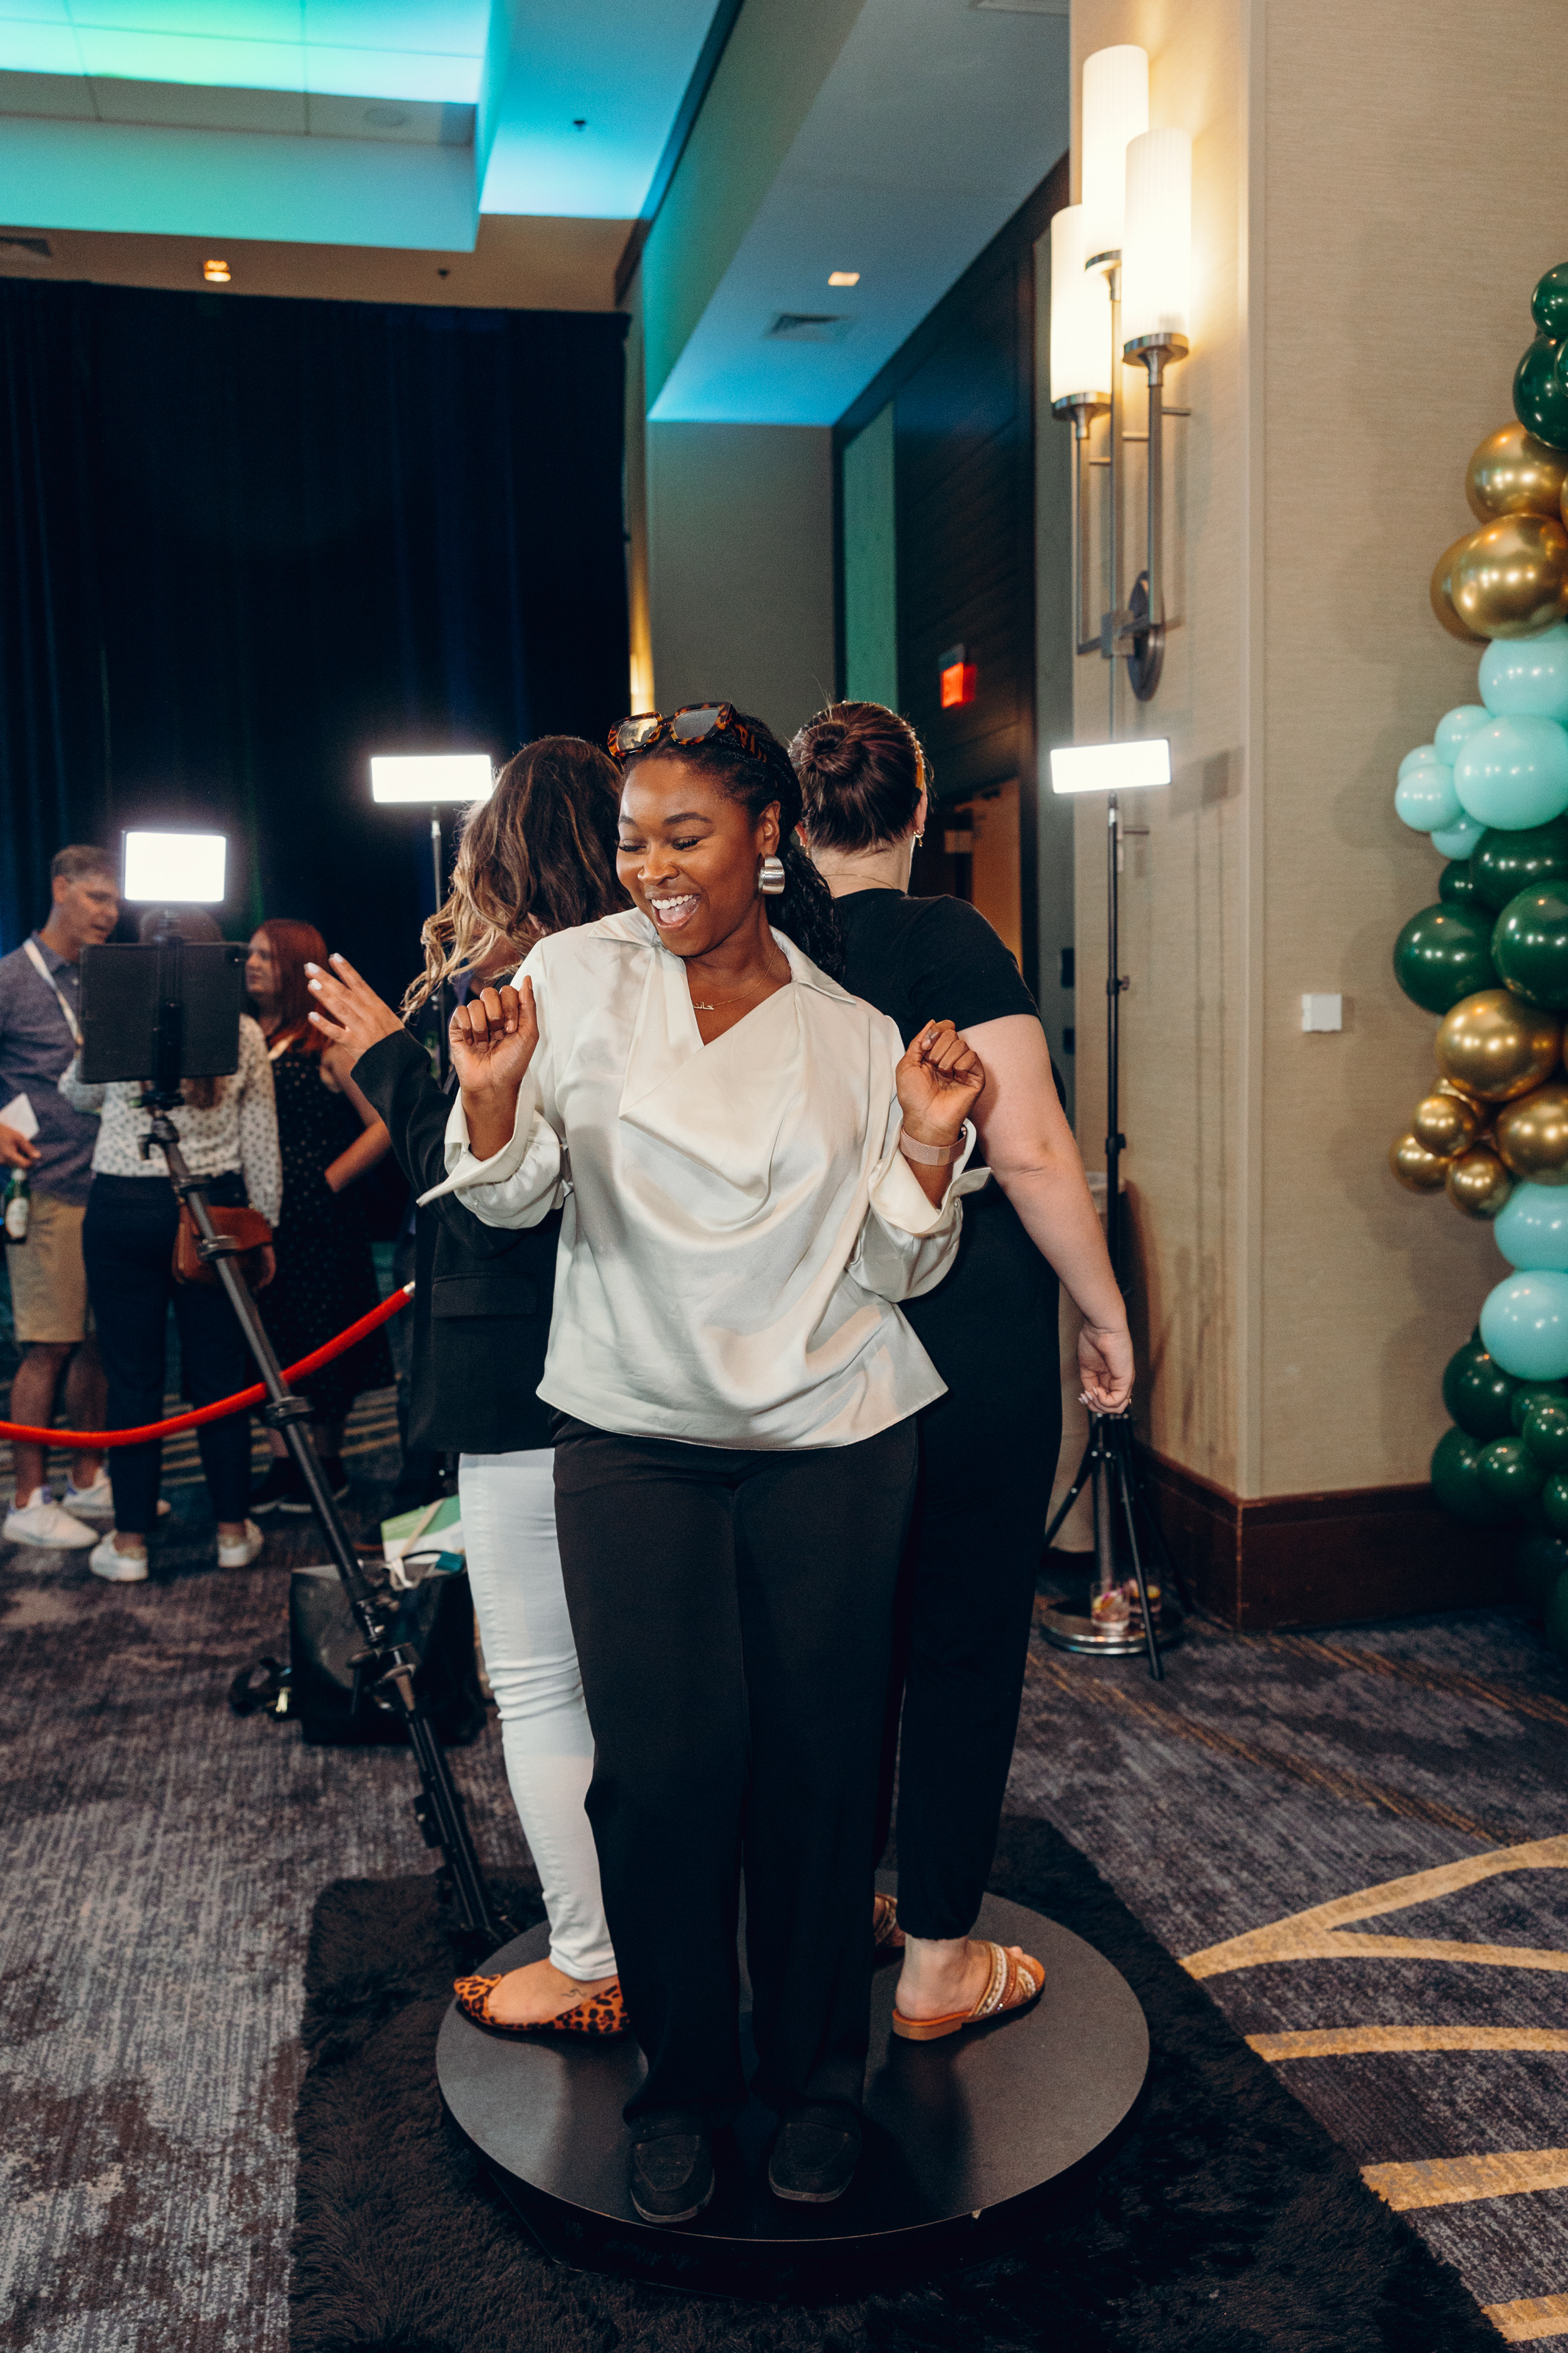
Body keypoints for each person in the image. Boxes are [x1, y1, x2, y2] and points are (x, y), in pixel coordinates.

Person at [350, 700, 1000, 2228]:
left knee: (820, 1775)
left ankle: (816, 2087)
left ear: (765, 837)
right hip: (629, 1437)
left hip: (831, 1441)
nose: (650, 867)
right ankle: (682, 2087)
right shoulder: (571, 977)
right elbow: (510, 1203)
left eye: (684, 835)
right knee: (658, 1778)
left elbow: (898, 1270)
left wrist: (923, 1142)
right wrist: (490, 1098)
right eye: (633, 838)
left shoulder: (849, 1034)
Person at [791, 699, 1134, 2040]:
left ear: (792, 826)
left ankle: (822, 1921)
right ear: (921, 814)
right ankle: (937, 1960)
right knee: (958, 1635)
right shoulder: (947, 938)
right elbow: (1033, 1150)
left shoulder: (762, 947)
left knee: (825, 1644)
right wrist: (1102, 1310)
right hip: (962, 1315)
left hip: (802, 1321)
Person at [305, 737, 631, 2036]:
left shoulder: (511, 991)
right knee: (651, 1682)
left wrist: (389, 1061)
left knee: (542, 1683)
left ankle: (594, 1958)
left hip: (516, 1377)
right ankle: (670, 1920)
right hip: (646, 1372)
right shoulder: (659, 981)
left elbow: (483, 1192)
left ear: (499, 853)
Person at [62, 910, 282, 1584]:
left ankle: (129, 1541)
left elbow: (74, 1093)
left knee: (132, 1378)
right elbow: (260, 1143)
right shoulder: (242, 1032)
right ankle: (232, 1531)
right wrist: (265, 1228)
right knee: (220, 1378)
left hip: (123, 1208)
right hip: (212, 1211)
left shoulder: (120, 1019)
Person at [243, 918, 393, 1513]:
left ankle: (327, 1462)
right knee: (270, 1337)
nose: (252, 964)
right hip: (258, 1213)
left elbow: (383, 1124)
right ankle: (285, 1464)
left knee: (325, 1334)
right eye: (250, 954)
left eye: (265, 955)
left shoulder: (325, 1042)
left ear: (292, 962)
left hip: (320, 1218)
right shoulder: (241, 1038)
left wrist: (326, 1183)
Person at [0, 846, 121, 1549]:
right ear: (60, 889)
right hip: (48, 1188)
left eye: (116, 901)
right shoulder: (12, 978)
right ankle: (26, 1499)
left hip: (111, 1183)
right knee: (49, 1345)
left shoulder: (103, 978)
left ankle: (86, 1478)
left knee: (97, 1343)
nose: (110, 913)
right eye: (97, 898)